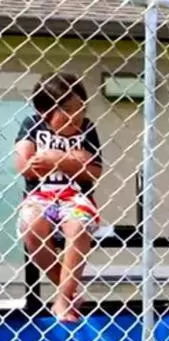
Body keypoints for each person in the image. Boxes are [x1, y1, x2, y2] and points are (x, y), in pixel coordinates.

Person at [14, 72, 103, 322]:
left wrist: (56, 159)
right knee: (32, 227)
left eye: (82, 109)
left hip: (75, 197)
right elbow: (26, 165)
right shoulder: (31, 125)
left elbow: (93, 171)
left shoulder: (87, 128)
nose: (77, 116)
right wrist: (74, 161)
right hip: (39, 196)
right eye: (69, 110)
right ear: (45, 111)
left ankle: (63, 299)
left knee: (79, 225)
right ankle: (71, 290)